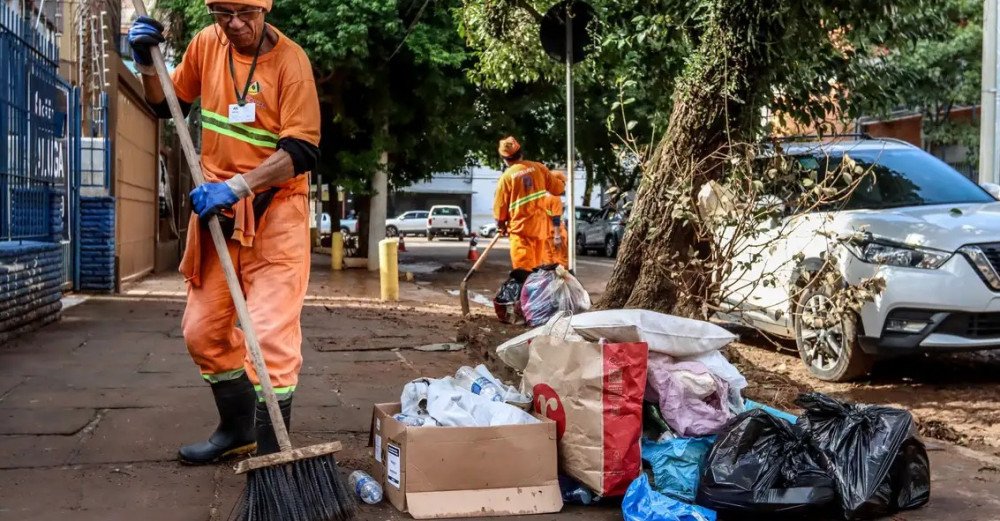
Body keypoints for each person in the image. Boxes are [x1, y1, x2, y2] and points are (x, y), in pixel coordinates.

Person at [128, 0, 321, 463]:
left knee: (270, 336)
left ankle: (273, 460)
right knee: (202, 333)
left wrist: (237, 186)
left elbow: (301, 150)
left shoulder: (291, 64)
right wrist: (145, 63)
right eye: (222, 13)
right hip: (220, 217)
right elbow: (165, 106)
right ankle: (238, 429)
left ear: (264, 8)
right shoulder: (205, 45)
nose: (233, 24)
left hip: (276, 214)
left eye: (244, 13)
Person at [493, 136, 556, 272]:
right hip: (540, 230)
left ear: (504, 159)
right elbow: (557, 188)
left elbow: (500, 206)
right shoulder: (538, 168)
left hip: (521, 232)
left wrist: (500, 224)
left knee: (524, 272)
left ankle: (526, 292)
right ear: (521, 153)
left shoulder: (507, 177)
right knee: (538, 271)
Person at [542, 171, 568, 269]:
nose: (564, 185)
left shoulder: (542, 196)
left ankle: (551, 283)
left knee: (548, 264)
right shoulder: (555, 197)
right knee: (560, 263)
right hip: (555, 234)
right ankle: (561, 283)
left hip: (544, 235)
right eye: (563, 183)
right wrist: (557, 236)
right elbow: (556, 218)